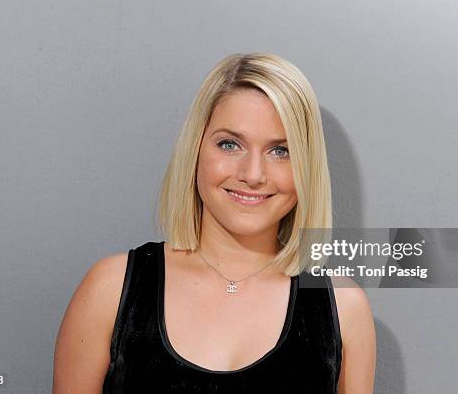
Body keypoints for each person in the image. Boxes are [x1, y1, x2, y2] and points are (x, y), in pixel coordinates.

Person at [53, 53, 376, 393]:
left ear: (306, 167)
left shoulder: (344, 310)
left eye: (281, 151)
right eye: (229, 144)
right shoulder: (110, 289)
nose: (253, 174)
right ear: (195, 149)